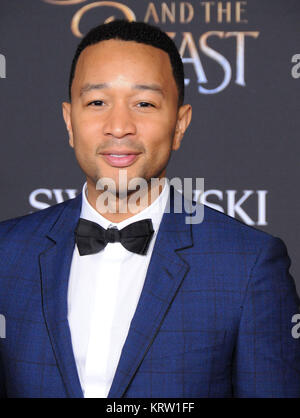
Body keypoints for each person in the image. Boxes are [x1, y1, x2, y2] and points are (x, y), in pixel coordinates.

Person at [0, 20, 299, 399]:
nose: (119, 127)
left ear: (179, 124)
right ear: (69, 121)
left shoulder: (247, 265)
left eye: (144, 103)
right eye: (97, 102)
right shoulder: (5, 255)